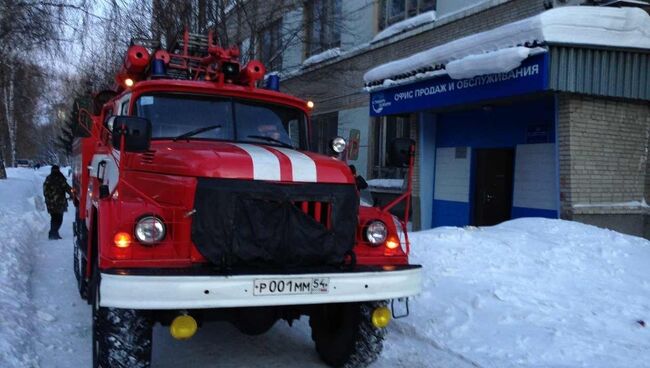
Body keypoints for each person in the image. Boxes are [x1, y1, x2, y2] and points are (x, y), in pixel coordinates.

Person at [43, 165, 72, 240]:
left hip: (53, 203)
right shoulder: (59, 178)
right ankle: (53, 233)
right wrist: (72, 193)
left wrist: (48, 199)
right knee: (58, 218)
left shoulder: (49, 178)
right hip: (58, 203)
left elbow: (45, 191)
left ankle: (54, 233)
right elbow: (67, 188)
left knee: (55, 218)